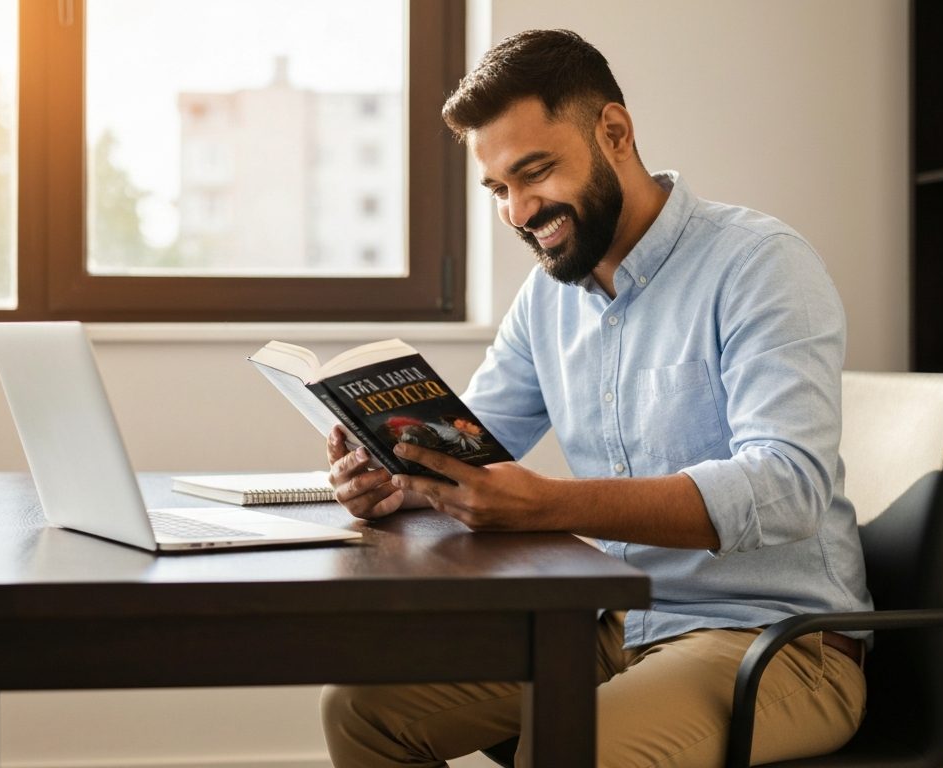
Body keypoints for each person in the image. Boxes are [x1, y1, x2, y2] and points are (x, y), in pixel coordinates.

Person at [320, 29, 872, 768]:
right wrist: (397, 481)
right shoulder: (547, 300)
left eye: (535, 172)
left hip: (773, 641)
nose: (519, 212)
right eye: (498, 191)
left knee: (565, 749)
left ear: (613, 132)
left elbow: (788, 487)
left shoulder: (760, 265)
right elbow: (477, 447)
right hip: (610, 625)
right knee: (365, 710)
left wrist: (549, 504)